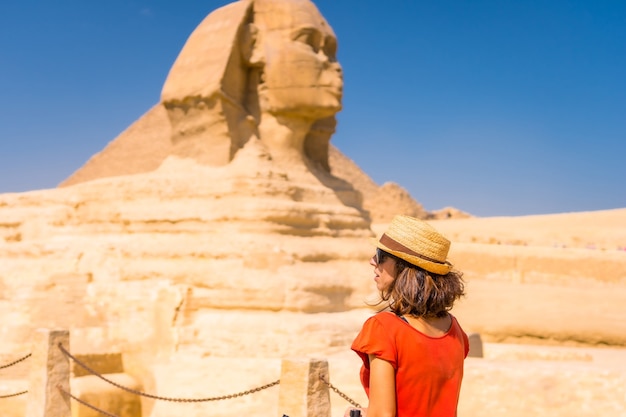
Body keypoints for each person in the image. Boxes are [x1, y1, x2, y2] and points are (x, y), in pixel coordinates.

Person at [347, 215, 468, 417]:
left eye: (381, 255)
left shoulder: (383, 328)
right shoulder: (455, 329)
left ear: (404, 267)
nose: (372, 261)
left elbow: (382, 415)